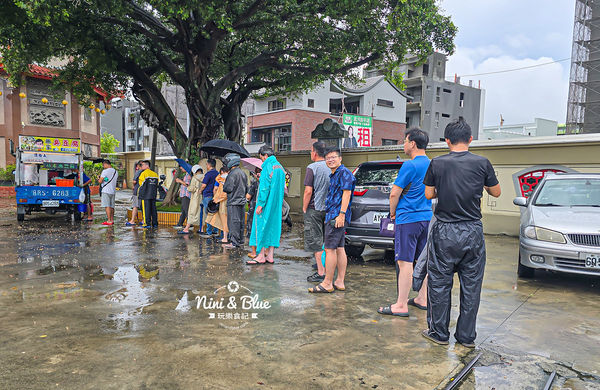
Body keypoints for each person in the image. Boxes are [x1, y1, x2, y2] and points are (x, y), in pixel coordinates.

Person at [422, 119, 501, 348]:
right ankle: (466, 337)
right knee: (471, 285)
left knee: (439, 284)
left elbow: (428, 195)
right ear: (470, 140)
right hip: (472, 230)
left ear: (447, 140)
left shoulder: (437, 163)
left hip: (444, 230)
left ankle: (438, 333)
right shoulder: (482, 163)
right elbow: (496, 192)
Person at [377, 128, 432, 317]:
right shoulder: (433, 164)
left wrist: (392, 213)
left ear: (413, 144)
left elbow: (394, 193)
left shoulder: (410, 165)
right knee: (423, 261)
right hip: (427, 217)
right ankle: (422, 298)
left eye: (405, 141)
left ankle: (401, 304)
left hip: (408, 218)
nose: (404, 144)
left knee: (405, 262)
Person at [308, 147, 355, 293]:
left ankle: (327, 282)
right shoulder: (334, 174)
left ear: (340, 158)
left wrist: (341, 214)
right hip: (334, 215)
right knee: (340, 248)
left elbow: (346, 194)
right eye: (328, 158)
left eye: (334, 157)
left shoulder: (344, 173)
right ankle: (339, 281)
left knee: (329, 249)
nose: (330, 160)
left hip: (337, 216)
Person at [246, 145, 286, 265]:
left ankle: (260, 256)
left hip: (266, 204)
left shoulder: (267, 167)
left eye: (261, 157)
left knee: (261, 227)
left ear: (266, 155)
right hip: (276, 204)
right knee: (273, 228)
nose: (261, 160)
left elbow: (264, 188)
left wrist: (260, 204)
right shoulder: (280, 168)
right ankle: (270, 256)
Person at [303, 141, 330, 283]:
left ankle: (321, 272)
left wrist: (304, 207)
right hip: (330, 209)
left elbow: (308, 191)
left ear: (314, 152)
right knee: (328, 241)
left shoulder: (312, 167)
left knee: (316, 241)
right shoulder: (331, 166)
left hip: (314, 208)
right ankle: (328, 269)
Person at [223, 153, 248, 248]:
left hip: (233, 201)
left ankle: (234, 242)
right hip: (241, 202)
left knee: (233, 222)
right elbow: (246, 188)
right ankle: (240, 240)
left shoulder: (232, 174)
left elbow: (228, 188)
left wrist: (223, 184)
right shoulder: (243, 173)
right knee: (240, 222)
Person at [178, 165, 204, 235]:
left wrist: (187, 187)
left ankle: (187, 228)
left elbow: (191, 188)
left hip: (195, 197)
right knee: (201, 212)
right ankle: (201, 229)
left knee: (191, 212)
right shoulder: (204, 177)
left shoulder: (194, 178)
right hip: (202, 197)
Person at [207, 167, 229, 242]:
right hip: (229, 202)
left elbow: (215, 189)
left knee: (222, 219)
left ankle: (224, 237)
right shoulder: (231, 178)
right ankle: (226, 236)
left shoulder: (219, 178)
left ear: (222, 172)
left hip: (220, 201)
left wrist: (216, 198)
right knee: (227, 219)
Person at [199, 159, 219, 238]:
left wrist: (200, 191)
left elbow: (204, 185)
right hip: (215, 196)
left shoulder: (208, 174)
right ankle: (215, 231)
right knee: (215, 213)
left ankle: (209, 232)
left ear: (209, 165)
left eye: (206, 164)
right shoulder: (217, 173)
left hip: (207, 195)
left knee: (208, 214)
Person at [137, 160, 159, 228]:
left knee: (146, 210)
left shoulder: (143, 174)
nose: (141, 166)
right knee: (153, 210)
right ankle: (155, 223)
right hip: (153, 195)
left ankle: (147, 223)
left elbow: (141, 184)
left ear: (147, 166)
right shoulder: (155, 174)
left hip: (145, 195)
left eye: (142, 165)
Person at [246, 168, 261, 258]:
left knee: (252, 229)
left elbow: (248, 196)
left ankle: (254, 252)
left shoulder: (255, 184)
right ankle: (264, 252)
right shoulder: (268, 183)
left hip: (254, 208)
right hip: (263, 209)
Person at [98, 159, 118, 226]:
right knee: (112, 206)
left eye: (103, 165)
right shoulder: (115, 171)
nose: (103, 166)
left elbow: (100, 181)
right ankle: (112, 220)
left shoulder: (105, 171)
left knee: (107, 206)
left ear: (106, 164)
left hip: (106, 190)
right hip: (113, 191)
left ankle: (109, 220)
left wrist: (99, 178)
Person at [174, 165, 192, 229]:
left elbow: (187, 184)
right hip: (184, 195)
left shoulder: (188, 175)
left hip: (186, 195)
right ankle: (180, 224)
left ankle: (190, 225)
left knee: (186, 210)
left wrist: (180, 181)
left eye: (181, 167)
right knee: (184, 210)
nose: (181, 168)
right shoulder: (186, 175)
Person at [126, 161, 143, 226]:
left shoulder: (138, 172)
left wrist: (133, 185)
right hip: (143, 191)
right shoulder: (146, 172)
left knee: (135, 206)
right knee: (143, 206)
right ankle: (144, 220)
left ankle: (132, 220)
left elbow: (134, 181)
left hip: (137, 191)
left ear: (138, 166)